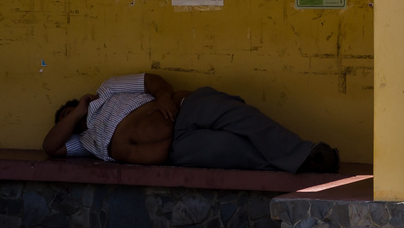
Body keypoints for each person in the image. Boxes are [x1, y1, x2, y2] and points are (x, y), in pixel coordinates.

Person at [43, 72, 340, 174]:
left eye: (67, 112)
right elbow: (50, 146)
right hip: (178, 148)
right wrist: (76, 114)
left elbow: (151, 79)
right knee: (234, 151)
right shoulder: (85, 143)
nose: (67, 120)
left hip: (185, 108)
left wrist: (162, 97)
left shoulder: (106, 90)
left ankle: (307, 152)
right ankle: (298, 165)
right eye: (64, 121)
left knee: (243, 119)